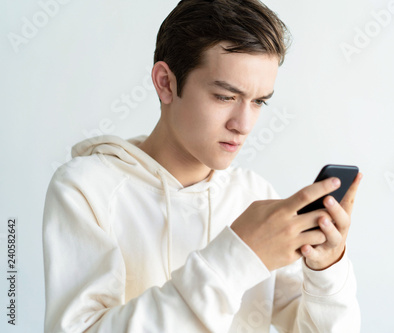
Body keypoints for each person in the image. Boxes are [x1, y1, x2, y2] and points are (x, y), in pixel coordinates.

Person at [42, 0, 363, 332]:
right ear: (166, 83)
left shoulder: (254, 196)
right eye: (225, 97)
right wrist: (239, 254)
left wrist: (326, 269)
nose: (244, 124)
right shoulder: (86, 188)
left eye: (258, 101)